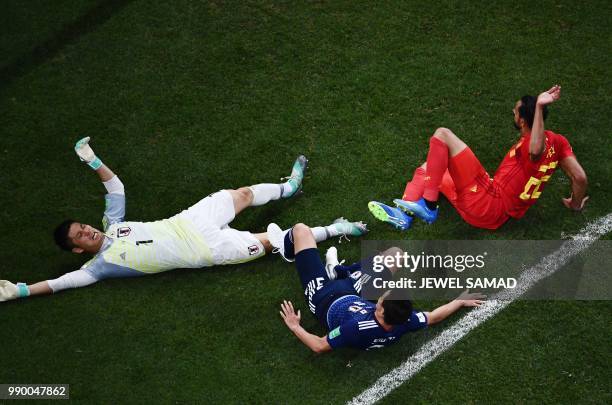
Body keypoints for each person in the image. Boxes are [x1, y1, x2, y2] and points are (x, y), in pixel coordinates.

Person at [0, 138, 367, 302]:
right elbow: (61, 283)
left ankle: (290, 188)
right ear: (79, 250)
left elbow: (115, 188)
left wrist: (92, 161)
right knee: (273, 242)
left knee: (241, 194)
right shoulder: (98, 268)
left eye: (83, 226)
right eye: (81, 235)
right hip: (207, 251)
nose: (88, 230)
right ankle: (336, 228)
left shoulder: (113, 224)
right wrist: (20, 290)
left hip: (188, 220)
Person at [368, 85, 588, 230]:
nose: (513, 113)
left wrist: (539, 106)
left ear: (522, 120)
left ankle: (428, 207)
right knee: (429, 168)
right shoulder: (558, 141)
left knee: (442, 135)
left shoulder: (531, 147)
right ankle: (404, 215)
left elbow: (535, 150)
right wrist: (575, 204)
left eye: (515, 111)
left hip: (488, 201)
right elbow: (579, 178)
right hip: (495, 204)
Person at [272, 223, 485, 352]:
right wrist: (459, 301)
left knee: (300, 231)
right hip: (351, 291)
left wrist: (295, 326)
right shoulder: (405, 320)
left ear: (379, 309)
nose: (382, 294)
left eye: (383, 297)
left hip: (322, 298)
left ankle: (288, 251)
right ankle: (339, 271)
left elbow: (319, 345)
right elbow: (433, 317)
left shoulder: (356, 328)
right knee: (396, 256)